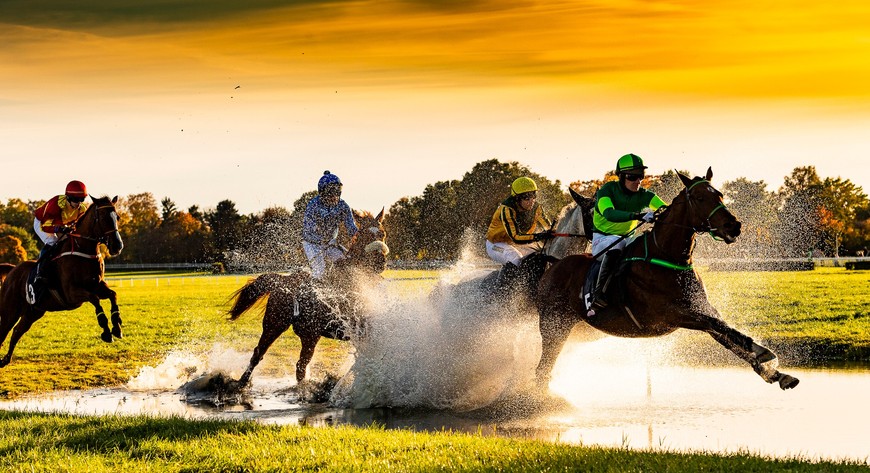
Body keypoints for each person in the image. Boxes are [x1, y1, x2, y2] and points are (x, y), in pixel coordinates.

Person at [588, 153, 667, 311]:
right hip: (602, 239)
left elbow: (667, 210)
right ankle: (599, 294)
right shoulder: (606, 190)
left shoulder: (644, 195)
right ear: (621, 177)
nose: (638, 181)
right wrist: (638, 216)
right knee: (615, 246)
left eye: (641, 176)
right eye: (632, 177)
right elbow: (609, 213)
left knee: (647, 244)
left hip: (628, 238)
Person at [27, 180, 90, 304]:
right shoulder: (56, 204)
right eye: (76, 200)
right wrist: (60, 229)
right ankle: (40, 271)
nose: (79, 204)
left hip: (61, 225)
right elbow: (46, 225)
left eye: (82, 200)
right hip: (42, 223)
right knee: (53, 242)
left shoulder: (82, 209)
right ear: (69, 197)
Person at [485, 177, 554, 284]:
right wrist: (538, 236)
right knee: (515, 258)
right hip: (496, 245)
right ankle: (502, 293)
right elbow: (516, 237)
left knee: (541, 255)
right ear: (517, 198)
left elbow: (549, 227)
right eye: (527, 197)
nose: (531, 201)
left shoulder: (537, 208)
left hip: (517, 244)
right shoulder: (506, 209)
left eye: (533, 196)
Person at [301, 171, 359, 280]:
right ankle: (309, 294)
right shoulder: (313, 205)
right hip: (312, 244)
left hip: (330, 243)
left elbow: (351, 226)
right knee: (320, 271)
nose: (335, 197)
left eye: (337, 192)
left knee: (346, 265)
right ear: (322, 192)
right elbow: (308, 227)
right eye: (331, 193)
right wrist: (320, 232)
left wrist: (357, 235)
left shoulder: (343, 206)